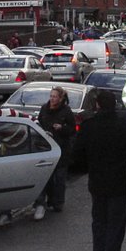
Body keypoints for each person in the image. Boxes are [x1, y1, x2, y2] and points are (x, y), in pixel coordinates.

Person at [72, 90, 126, 251]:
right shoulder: (123, 125)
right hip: (119, 181)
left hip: (97, 181)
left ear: (97, 106)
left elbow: (76, 153)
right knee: (115, 226)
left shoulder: (89, 126)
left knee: (99, 223)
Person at [36, 86, 76, 217]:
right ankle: (47, 201)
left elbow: (72, 129)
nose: (52, 99)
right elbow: (39, 123)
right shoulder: (44, 109)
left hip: (61, 149)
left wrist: (62, 128)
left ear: (60, 98)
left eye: (54, 97)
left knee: (59, 179)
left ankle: (58, 203)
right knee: (47, 178)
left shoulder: (66, 111)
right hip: (46, 148)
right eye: (51, 96)